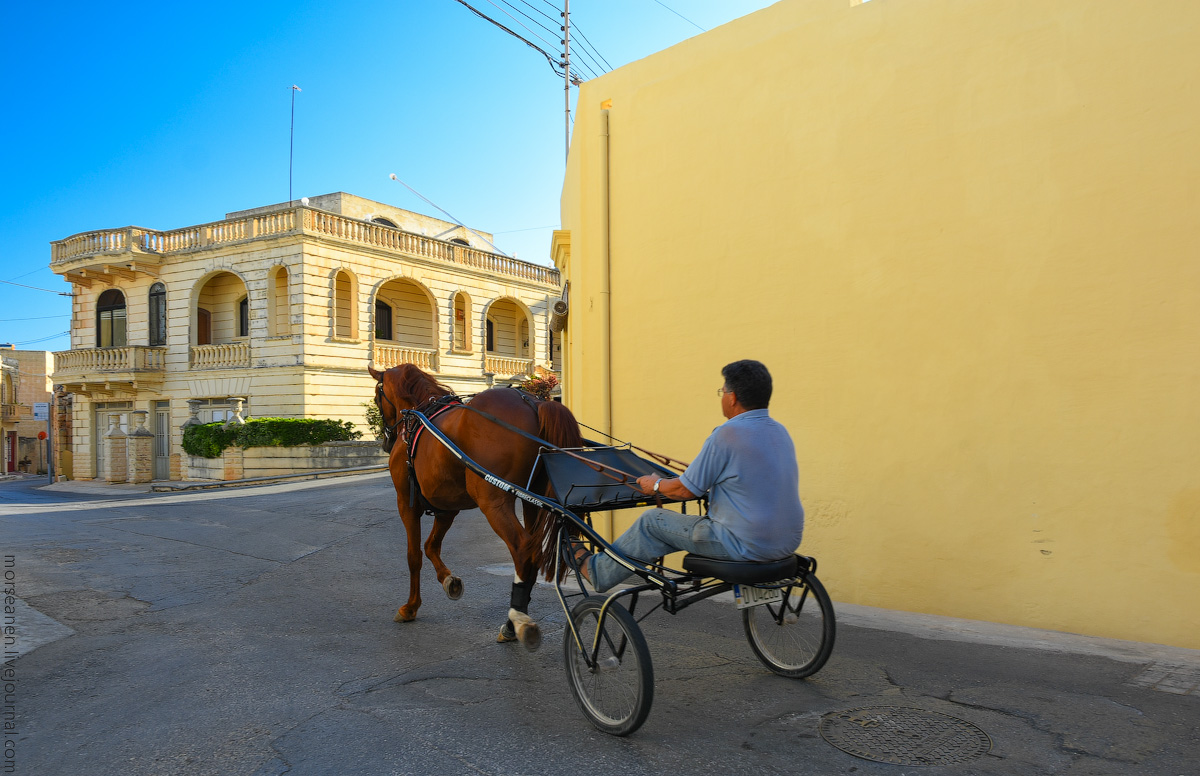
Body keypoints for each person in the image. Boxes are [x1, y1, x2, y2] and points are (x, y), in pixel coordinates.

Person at [580, 360, 805, 592]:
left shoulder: (727, 434)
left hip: (742, 544)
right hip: (786, 541)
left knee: (652, 522)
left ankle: (598, 571)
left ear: (732, 397)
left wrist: (655, 484)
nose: (722, 397)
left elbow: (685, 490)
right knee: (666, 529)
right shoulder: (780, 431)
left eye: (723, 391)